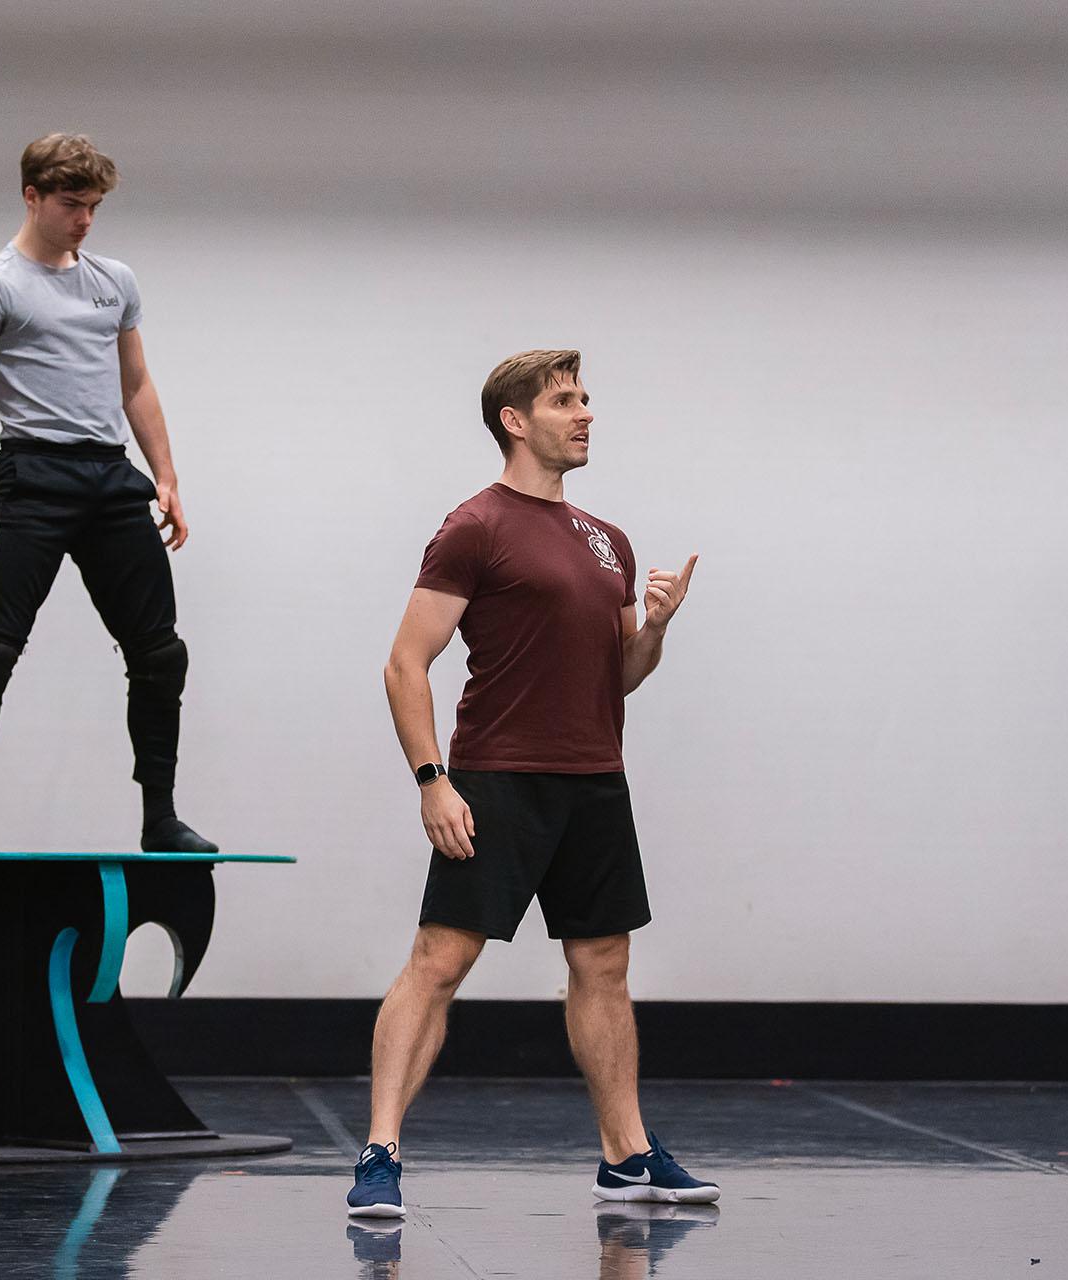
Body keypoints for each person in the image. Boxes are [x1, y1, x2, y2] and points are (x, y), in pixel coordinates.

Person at [346, 350, 716, 1218]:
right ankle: (380, 1151)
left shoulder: (607, 539)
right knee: (441, 960)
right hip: (498, 778)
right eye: (564, 401)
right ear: (514, 421)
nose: (585, 414)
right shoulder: (475, 526)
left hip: (595, 780)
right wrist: (433, 781)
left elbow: (620, 674)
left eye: (586, 399)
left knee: (604, 964)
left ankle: (626, 1157)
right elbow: (405, 664)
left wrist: (657, 628)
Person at [0, 133, 216, 855]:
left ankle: (161, 818)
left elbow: (135, 385)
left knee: (161, 654)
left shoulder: (115, 281)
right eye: (72, 204)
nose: (84, 220)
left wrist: (167, 477)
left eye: (94, 207)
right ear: (32, 196)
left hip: (110, 479)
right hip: (33, 480)